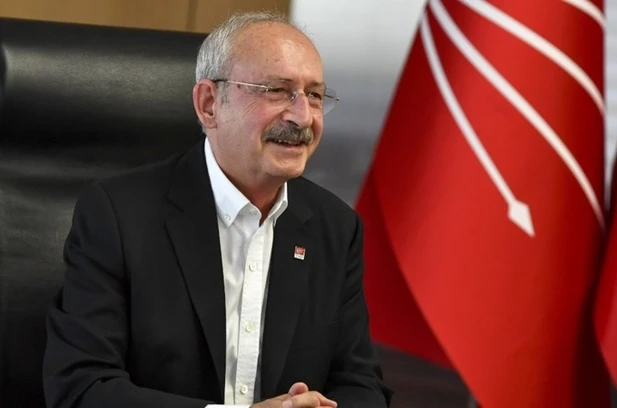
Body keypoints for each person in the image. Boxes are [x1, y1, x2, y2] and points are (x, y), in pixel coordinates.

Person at [42, 11, 392, 408]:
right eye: (277, 91)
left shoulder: (336, 227)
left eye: (314, 95)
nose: (302, 117)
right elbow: (82, 388)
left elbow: (362, 385)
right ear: (209, 104)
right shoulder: (117, 215)